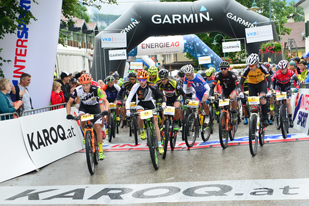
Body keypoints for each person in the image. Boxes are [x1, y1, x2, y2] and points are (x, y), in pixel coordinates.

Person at [66, 74, 109, 160]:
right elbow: (69, 102)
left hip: (95, 107)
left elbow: (105, 100)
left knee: (97, 127)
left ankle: (100, 151)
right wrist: (68, 113)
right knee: (82, 118)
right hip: (84, 107)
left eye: (87, 85)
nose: (85, 87)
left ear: (90, 83)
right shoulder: (77, 90)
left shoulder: (96, 89)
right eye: (83, 85)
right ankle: (85, 134)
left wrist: (106, 109)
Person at [126, 70, 166, 155]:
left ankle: (159, 144)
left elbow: (161, 95)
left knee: (155, 122)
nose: (141, 82)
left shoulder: (151, 85)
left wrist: (163, 103)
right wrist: (128, 109)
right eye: (139, 80)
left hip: (150, 103)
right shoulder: (136, 86)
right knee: (139, 117)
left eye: (143, 80)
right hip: (141, 104)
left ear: (146, 79)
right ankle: (142, 129)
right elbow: (128, 99)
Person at [238, 53, 273, 126]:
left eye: (252, 65)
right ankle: (254, 117)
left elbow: (270, 81)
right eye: (249, 65)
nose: (250, 67)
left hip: (261, 83)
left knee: (263, 100)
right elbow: (240, 83)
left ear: (257, 64)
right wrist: (241, 92)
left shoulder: (262, 67)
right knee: (253, 104)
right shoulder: (246, 69)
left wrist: (270, 90)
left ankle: (265, 118)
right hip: (252, 85)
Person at [272, 60, 300, 127]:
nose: (283, 71)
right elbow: (271, 80)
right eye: (281, 69)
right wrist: (270, 89)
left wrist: (297, 87)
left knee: (288, 102)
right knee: (277, 100)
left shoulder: (290, 72)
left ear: (286, 67)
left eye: (284, 69)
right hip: (279, 87)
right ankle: (277, 111)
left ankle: (290, 119)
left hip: (287, 87)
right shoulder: (277, 73)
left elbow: (298, 81)